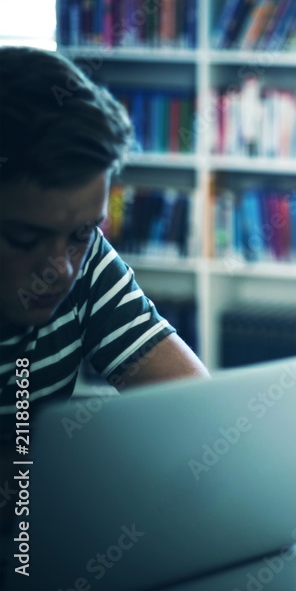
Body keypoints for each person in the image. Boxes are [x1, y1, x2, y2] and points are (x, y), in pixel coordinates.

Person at [0, 47, 209, 480]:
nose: (61, 268)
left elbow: (191, 407)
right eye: (26, 237)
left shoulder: (86, 254)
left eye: (81, 232)